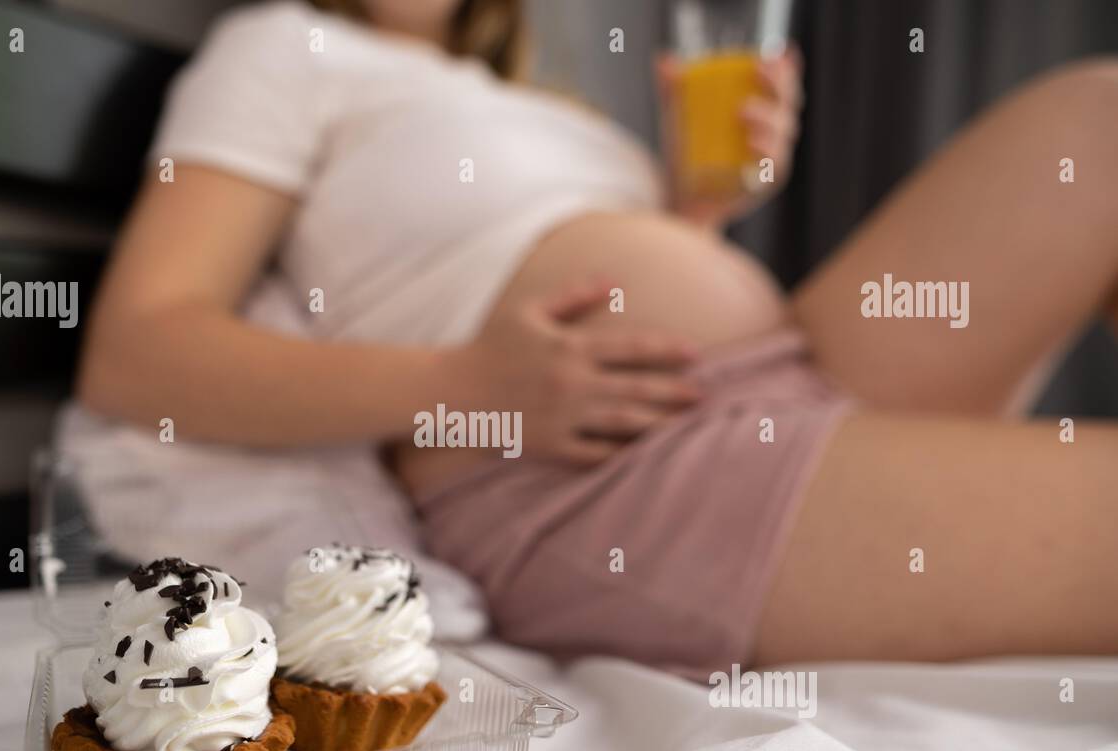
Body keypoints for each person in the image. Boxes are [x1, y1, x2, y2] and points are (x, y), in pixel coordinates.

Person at [75, 0, 1118, 674]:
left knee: (1099, 121)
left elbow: (587, 265)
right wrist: (469, 383)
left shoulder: (539, 103)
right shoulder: (285, 47)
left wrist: (699, 209)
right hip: (593, 473)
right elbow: (141, 352)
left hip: (776, 373)